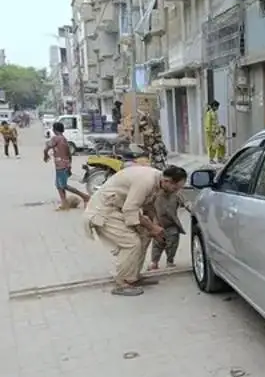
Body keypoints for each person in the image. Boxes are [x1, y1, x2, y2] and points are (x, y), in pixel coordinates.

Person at [83, 164, 188, 296]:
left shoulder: (158, 181)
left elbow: (149, 207)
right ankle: (122, 282)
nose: (176, 191)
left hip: (119, 209)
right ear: (167, 181)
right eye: (175, 187)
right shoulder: (146, 181)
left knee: (144, 236)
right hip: (104, 211)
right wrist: (151, 227)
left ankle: (133, 277)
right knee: (131, 242)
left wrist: (154, 228)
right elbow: (130, 209)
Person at [44, 122, 90, 210]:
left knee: (63, 185)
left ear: (54, 130)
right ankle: (64, 204)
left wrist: (45, 155)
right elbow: (69, 154)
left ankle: (85, 197)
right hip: (64, 164)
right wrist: (69, 166)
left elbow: (46, 148)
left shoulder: (56, 138)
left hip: (61, 165)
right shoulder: (64, 139)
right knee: (58, 185)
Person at [148, 189, 189, 270]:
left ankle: (170, 260)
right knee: (157, 243)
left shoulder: (177, 193)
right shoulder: (155, 193)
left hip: (172, 224)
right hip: (158, 223)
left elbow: (186, 203)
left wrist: (191, 208)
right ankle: (154, 262)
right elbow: (147, 204)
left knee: (172, 243)